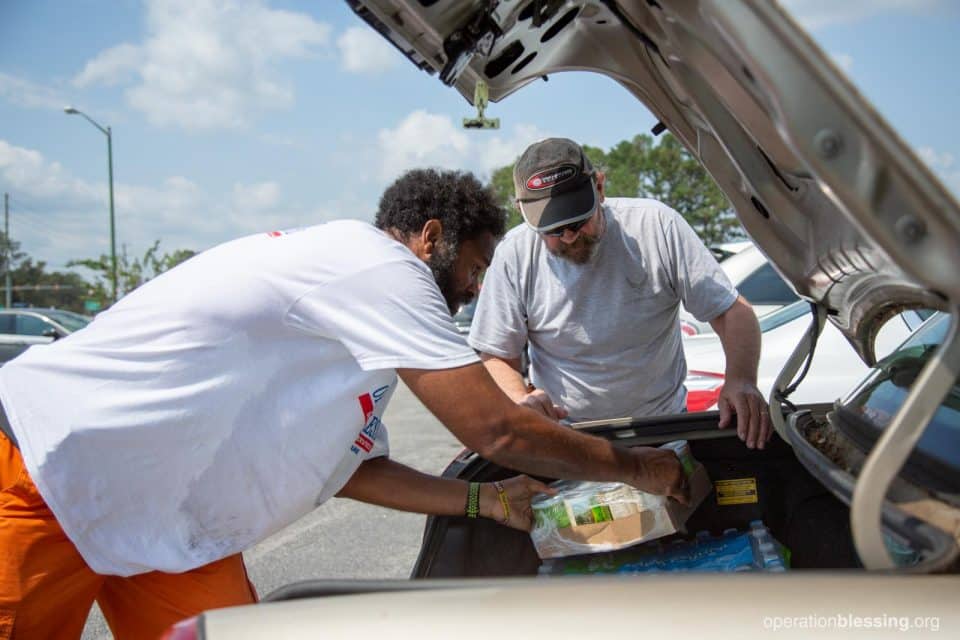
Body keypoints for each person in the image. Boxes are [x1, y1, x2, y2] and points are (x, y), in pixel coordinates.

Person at [0, 168, 686, 640]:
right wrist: (637, 468)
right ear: (430, 237)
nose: (477, 289)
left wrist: (488, 502)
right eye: (476, 267)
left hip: (168, 525)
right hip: (51, 473)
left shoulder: (364, 325)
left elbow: (354, 468)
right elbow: (495, 430)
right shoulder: (380, 268)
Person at [468, 138, 771, 448]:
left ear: (599, 188)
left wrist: (741, 379)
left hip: (663, 427)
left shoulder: (655, 227)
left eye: (578, 220)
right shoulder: (514, 255)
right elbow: (497, 355)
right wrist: (520, 400)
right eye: (554, 229)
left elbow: (732, 312)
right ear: (522, 211)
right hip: (567, 436)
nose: (570, 236)